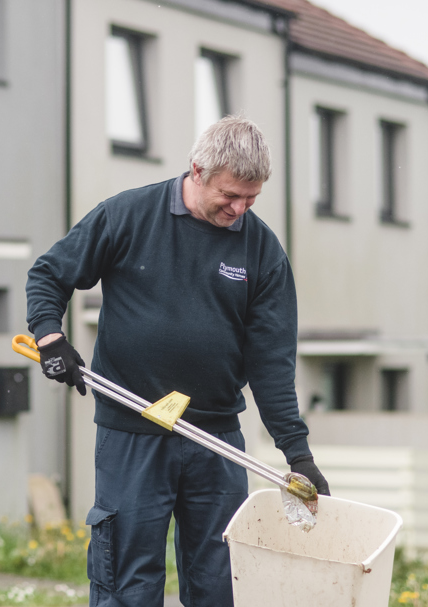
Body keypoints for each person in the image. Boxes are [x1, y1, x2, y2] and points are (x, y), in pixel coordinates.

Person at [25, 116, 329, 607]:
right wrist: (50, 337)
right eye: (230, 195)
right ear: (197, 170)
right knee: (128, 583)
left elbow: (272, 360)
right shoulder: (127, 215)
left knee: (219, 586)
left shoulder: (261, 249)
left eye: (251, 199)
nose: (239, 209)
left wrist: (298, 453)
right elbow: (48, 275)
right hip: (132, 432)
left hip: (216, 440)